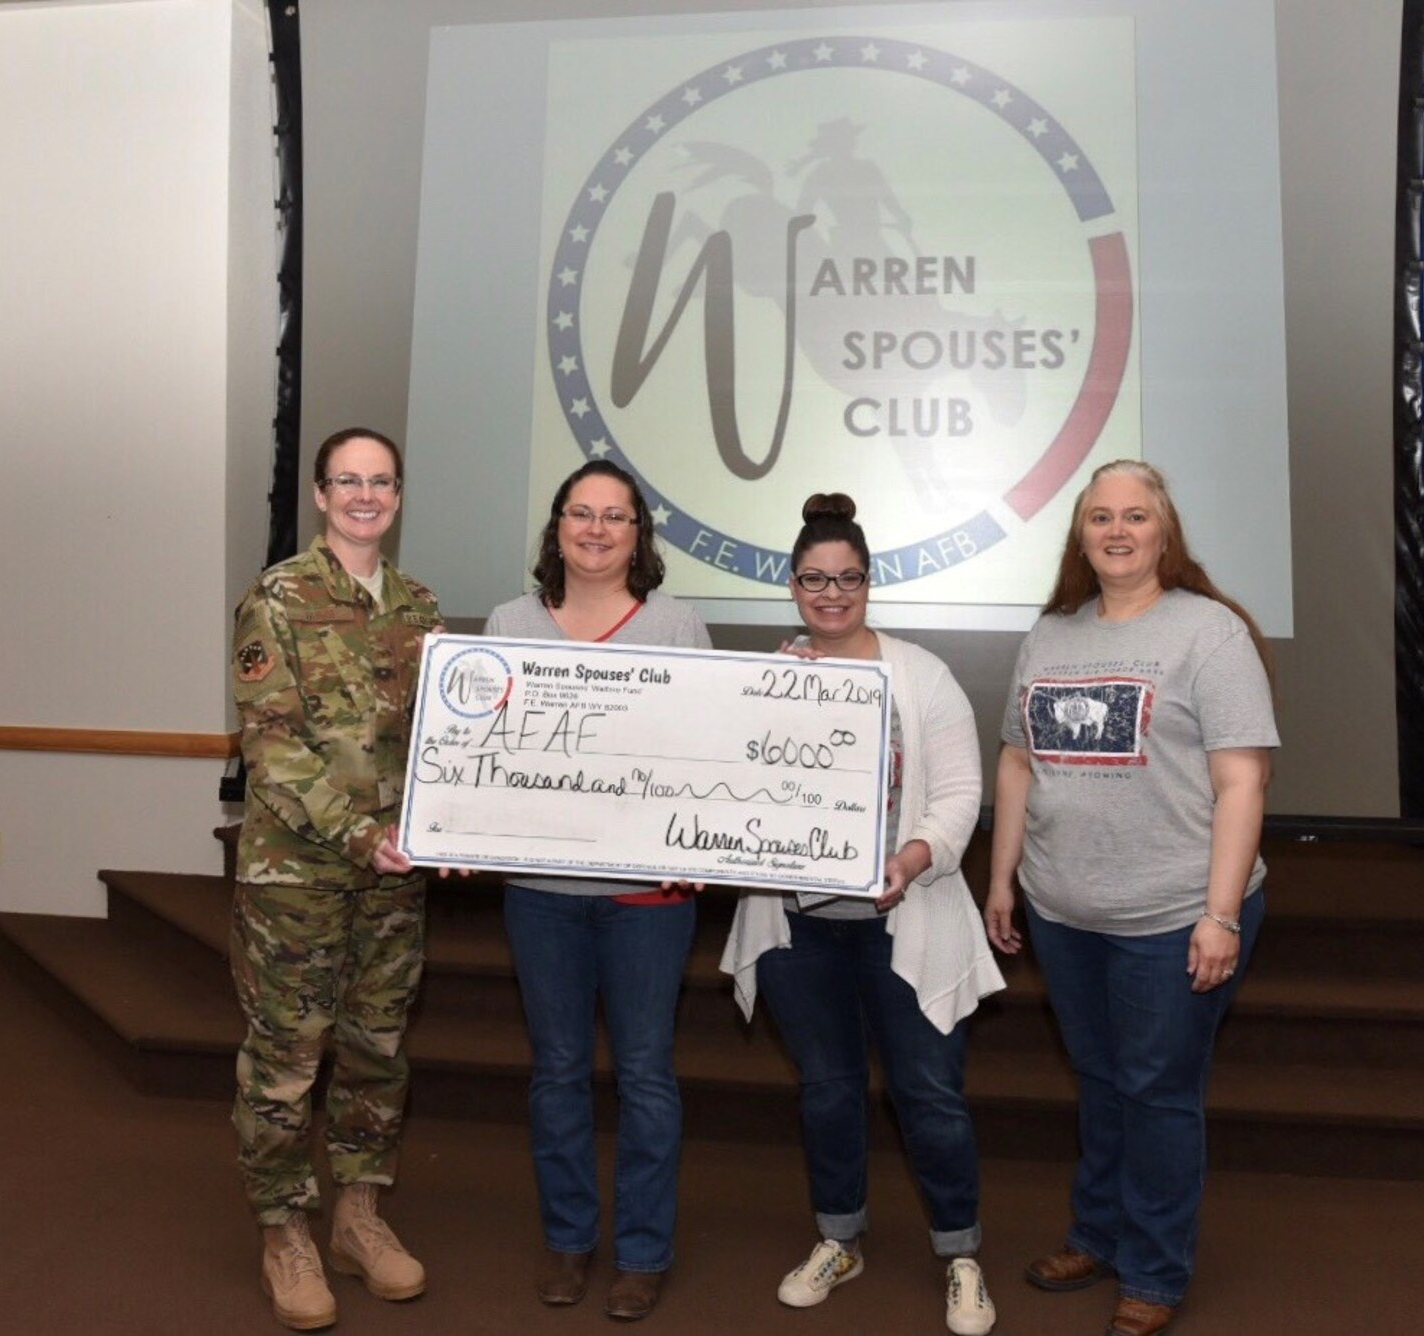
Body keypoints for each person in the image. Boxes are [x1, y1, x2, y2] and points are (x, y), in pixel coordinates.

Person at [983, 460, 1278, 1336]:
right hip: (1065, 912)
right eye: (1100, 516)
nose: (1118, 530)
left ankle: (1154, 1268)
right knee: (1105, 1082)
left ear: (1164, 532)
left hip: (1174, 916)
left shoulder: (1209, 634)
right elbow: (1016, 760)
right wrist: (1001, 879)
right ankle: (1099, 1234)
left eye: (1136, 516)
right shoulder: (1050, 636)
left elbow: (1243, 783)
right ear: (1080, 534)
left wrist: (1220, 914)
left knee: (1157, 1092)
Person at [721, 493, 1005, 1336]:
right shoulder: (772, 679)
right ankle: (838, 1238)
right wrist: (767, 706)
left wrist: (911, 860)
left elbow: (958, 796)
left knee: (929, 1094)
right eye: (815, 579)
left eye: (847, 579)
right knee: (828, 1092)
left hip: (901, 917)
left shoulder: (924, 676)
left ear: (870, 583)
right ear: (794, 585)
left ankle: (960, 1255)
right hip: (796, 927)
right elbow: (726, 791)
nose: (831, 594)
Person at [483, 459, 712, 1322]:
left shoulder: (678, 626)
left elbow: (706, 756)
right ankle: (570, 1238)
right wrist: (461, 827)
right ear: (557, 526)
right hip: (540, 892)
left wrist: (698, 846)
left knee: (648, 1076)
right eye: (581, 513)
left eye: (615, 517)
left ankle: (644, 1252)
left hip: (647, 898)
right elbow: (481, 761)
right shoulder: (509, 623)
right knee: (558, 1073)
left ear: (638, 535)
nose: (596, 529)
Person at [229, 427, 444, 1331]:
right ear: (320, 495)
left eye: (381, 481)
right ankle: (285, 1229)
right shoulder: (277, 597)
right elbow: (271, 747)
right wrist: (360, 835)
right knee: (286, 1062)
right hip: (299, 879)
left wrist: (454, 821)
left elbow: (450, 745)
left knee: (376, 1051)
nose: (365, 496)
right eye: (347, 482)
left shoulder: (421, 607)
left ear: (399, 493)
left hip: (394, 880)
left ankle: (359, 1214)